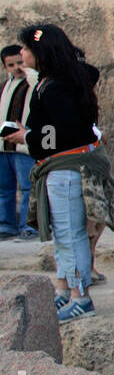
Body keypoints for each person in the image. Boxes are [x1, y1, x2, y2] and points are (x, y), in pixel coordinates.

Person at [4, 25, 111, 322]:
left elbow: (59, 135)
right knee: (64, 234)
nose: (21, 53)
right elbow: (89, 70)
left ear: (41, 52)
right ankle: (65, 289)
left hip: (65, 168)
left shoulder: (54, 89)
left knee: (70, 233)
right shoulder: (66, 78)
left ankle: (81, 297)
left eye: (26, 48)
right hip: (67, 166)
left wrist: (26, 137)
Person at [0, 44, 37, 241]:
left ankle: (29, 226)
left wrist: (29, 71)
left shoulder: (33, 82)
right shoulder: (6, 86)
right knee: (4, 189)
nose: (16, 68)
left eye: (20, 63)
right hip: (4, 147)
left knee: (27, 188)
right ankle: (6, 225)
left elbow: (36, 80)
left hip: (24, 147)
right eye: (11, 65)